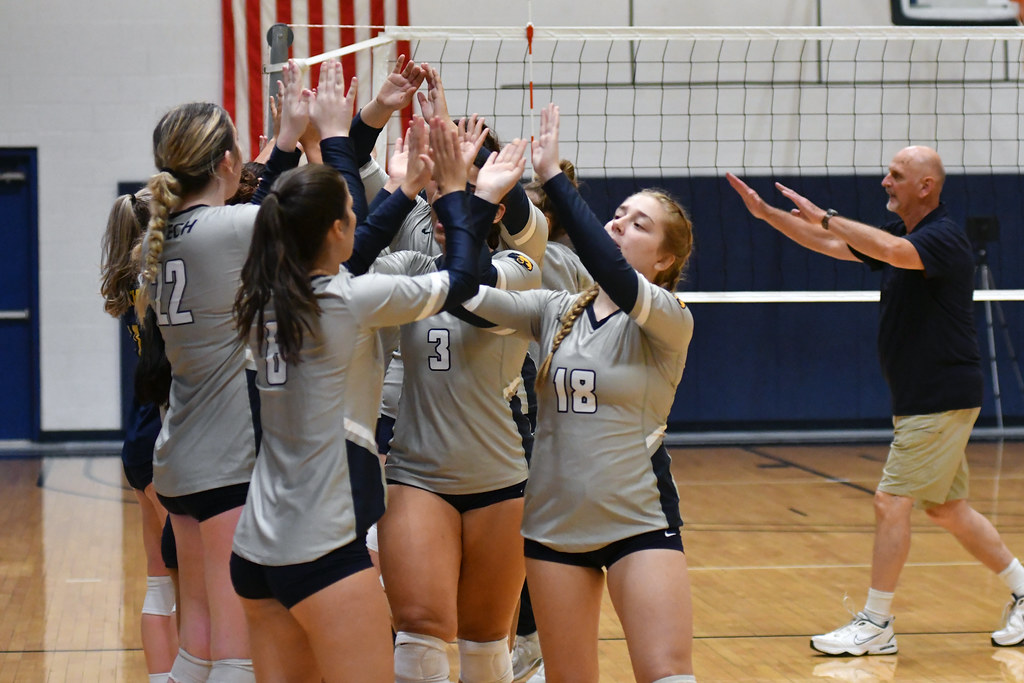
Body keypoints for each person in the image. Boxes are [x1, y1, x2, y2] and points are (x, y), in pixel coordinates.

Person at [229, 57, 510, 681]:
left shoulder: (256, 293)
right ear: (335, 231)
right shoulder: (346, 299)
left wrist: (387, 169)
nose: (363, 219)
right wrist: (461, 194)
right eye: (352, 217)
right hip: (320, 542)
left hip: (256, 546)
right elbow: (462, 277)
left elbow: (354, 233)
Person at [726, 145, 1024, 656]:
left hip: (939, 396)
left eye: (896, 175)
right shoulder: (908, 237)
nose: (885, 181)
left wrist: (830, 215)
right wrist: (767, 214)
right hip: (925, 397)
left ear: (926, 186)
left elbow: (884, 251)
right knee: (949, 508)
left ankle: (876, 622)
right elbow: (829, 243)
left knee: (891, 502)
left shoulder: (942, 239)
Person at [461, 103, 697, 683]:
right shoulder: (553, 309)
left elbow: (613, 272)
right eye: (617, 214)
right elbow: (465, 292)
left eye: (639, 224)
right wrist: (477, 195)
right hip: (552, 528)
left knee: (666, 674)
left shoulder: (667, 318)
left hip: (636, 521)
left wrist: (551, 175)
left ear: (666, 260)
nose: (618, 224)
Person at [134, 60, 309, 682]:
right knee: (238, 654)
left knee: (198, 641)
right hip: (229, 460)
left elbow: (249, 213)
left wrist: (283, 142)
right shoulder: (234, 227)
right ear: (228, 164)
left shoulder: (158, 235)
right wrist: (321, 141)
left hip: (179, 455)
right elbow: (306, 216)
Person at [101, 188, 179, 682]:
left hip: (137, 441)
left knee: (159, 583)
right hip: (166, 442)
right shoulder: (167, 280)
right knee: (194, 582)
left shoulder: (130, 281)